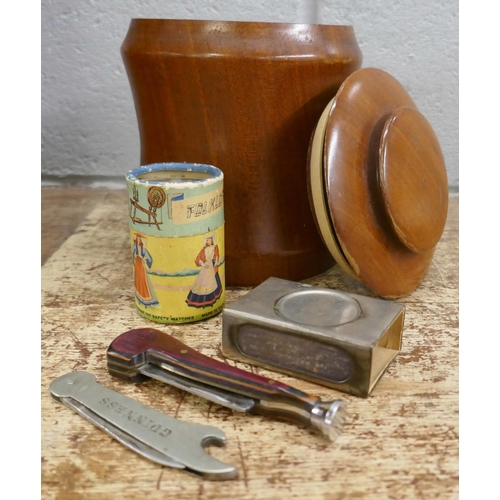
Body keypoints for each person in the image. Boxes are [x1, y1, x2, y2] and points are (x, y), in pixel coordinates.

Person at [186, 234, 223, 308]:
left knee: (213, 282)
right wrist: (203, 264)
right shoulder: (203, 250)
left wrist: (215, 262)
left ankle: (211, 300)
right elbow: (198, 259)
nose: (208, 241)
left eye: (209, 240)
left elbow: (217, 256)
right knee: (201, 283)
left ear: (212, 240)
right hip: (205, 267)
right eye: (207, 240)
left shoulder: (215, 247)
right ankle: (200, 301)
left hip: (212, 267)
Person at [132, 233, 159, 307]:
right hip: (138, 263)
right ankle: (140, 297)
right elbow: (132, 253)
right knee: (138, 280)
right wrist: (134, 260)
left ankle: (145, 298)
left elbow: (149, 258)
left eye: (139, 238)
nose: (138, 239)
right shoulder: (135, 246)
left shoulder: (143, 249)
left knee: (143, 280)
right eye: (137, 238)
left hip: (140, 264)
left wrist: (145, 261)